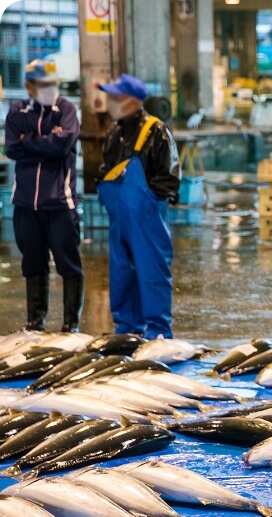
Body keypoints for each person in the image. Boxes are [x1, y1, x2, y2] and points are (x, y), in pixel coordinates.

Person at [97, 74, 181, 339]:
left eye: (114, 97)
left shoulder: (156, 131)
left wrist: (147, 200)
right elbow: (104, 171)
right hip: (119, 217)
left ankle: (158, 333)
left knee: (151, 272)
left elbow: (170, 177)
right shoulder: (113, 133)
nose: (109, 102)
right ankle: (127, 330)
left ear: (131, 101)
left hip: (146, 218)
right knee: (121, 272)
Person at [4, 60, 82, 332]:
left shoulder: (67, 110)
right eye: (43, 85)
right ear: (29, 86)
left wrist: (29, 140)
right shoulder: (17, 111)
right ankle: (35, 321)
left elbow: (62, 145)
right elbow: (12, 148)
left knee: (68, 263)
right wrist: (44, 140)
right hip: (26, 203)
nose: (50, 89)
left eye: (53, 84)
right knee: (32, 262)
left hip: (60, 202)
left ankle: (70, 324)